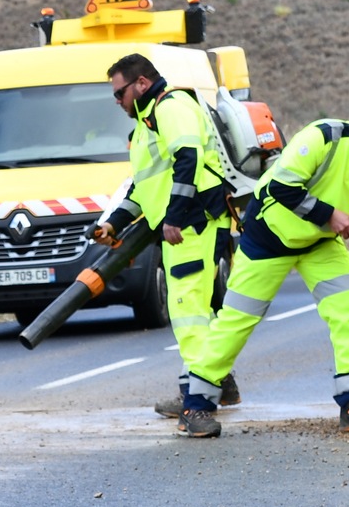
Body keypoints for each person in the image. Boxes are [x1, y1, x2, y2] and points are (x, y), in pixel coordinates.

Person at [178, 93, 349, 437]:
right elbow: (282, 187)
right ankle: (195, 406)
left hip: (320, 243)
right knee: (236, 321)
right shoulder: (323, 137)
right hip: (268, 237)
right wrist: (329, 214)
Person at [88, 53, 241, 429]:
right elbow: (145, 187)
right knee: (196, 311)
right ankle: (215, 384)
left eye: (119, 93)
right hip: (186, 226)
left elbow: (188, 160)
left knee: (188, 311)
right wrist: (114, 224)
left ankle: (198, 403)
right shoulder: (147, 124)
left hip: (192, 224)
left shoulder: (171, 106)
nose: (117, 101)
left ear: (141, 83)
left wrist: (174, 216)